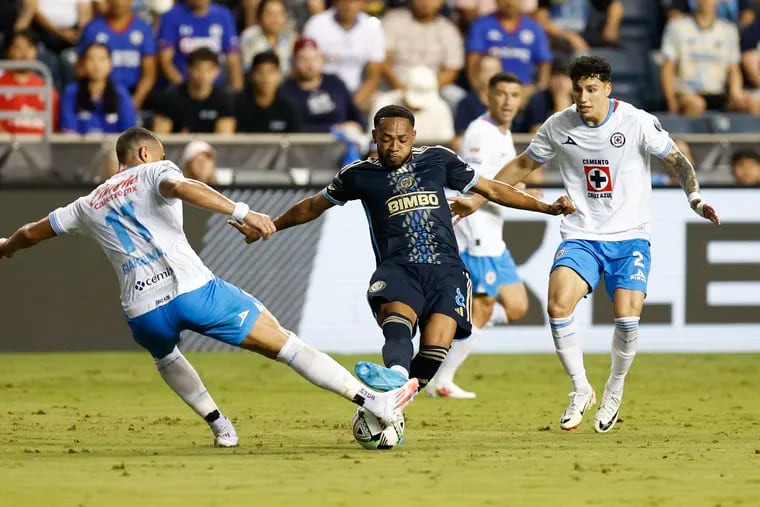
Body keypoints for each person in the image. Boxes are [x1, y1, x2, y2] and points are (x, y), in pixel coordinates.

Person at [0, 126, 419, 447]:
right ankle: (372, 400)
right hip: (194, 291)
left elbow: (33, 232)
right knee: (284, 344)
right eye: (163, 154)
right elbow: (184, 187)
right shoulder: (154, 171)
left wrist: (6, 248)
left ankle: (220, 427)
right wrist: (242, 209)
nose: (167, 161)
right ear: (146, 153)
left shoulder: (85, 204)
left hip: (142, 309)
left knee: (166, 357)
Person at [449, 56, 720, 433]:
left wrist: (695, 199)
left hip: (630, 236)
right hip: (581, 234)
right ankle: (580, 389)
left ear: (607, 89)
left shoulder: (637, 121)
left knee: (626, 319)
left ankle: (614, 387)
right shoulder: (558, 126)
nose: (583, 97)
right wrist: (477, 198)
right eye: (577, 89)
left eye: (591, 89)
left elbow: (676, 160)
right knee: (557, 306)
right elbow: (522, 164)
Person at [229, 104, 576, 393]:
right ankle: (395, 374)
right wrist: (273, 223)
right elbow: (313, 205)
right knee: (397, 325)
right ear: (374, 138)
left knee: (434, 351)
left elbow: (495, 189)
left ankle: (393, 397)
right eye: (386, 139)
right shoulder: (358, 174)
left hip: (446, 270)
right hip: (398, 268)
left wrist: (545, 208)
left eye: (401, 139)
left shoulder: (438, 160)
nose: (393, 146)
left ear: (413, 137)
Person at [426, 72, 530, 399]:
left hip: (494, 239)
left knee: (517, 306)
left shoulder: (503, 133)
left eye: (514, 94)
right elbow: (470, 183)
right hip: (477, 237)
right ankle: (442, 379)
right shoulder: (480, 133)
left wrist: (522, 188)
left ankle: (458, 322)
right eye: (501, 94)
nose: (508, 101)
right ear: (489, 96)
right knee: (483, 307)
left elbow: (499, 181)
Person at [60, 43, 137, 134]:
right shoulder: (71, 92)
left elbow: (128, 133)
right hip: (79, 147)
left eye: (102, 59)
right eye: (91, 59)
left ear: (110, 64)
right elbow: (69, 131)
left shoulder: (121, 93)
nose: (96, 64)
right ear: (83, 64)